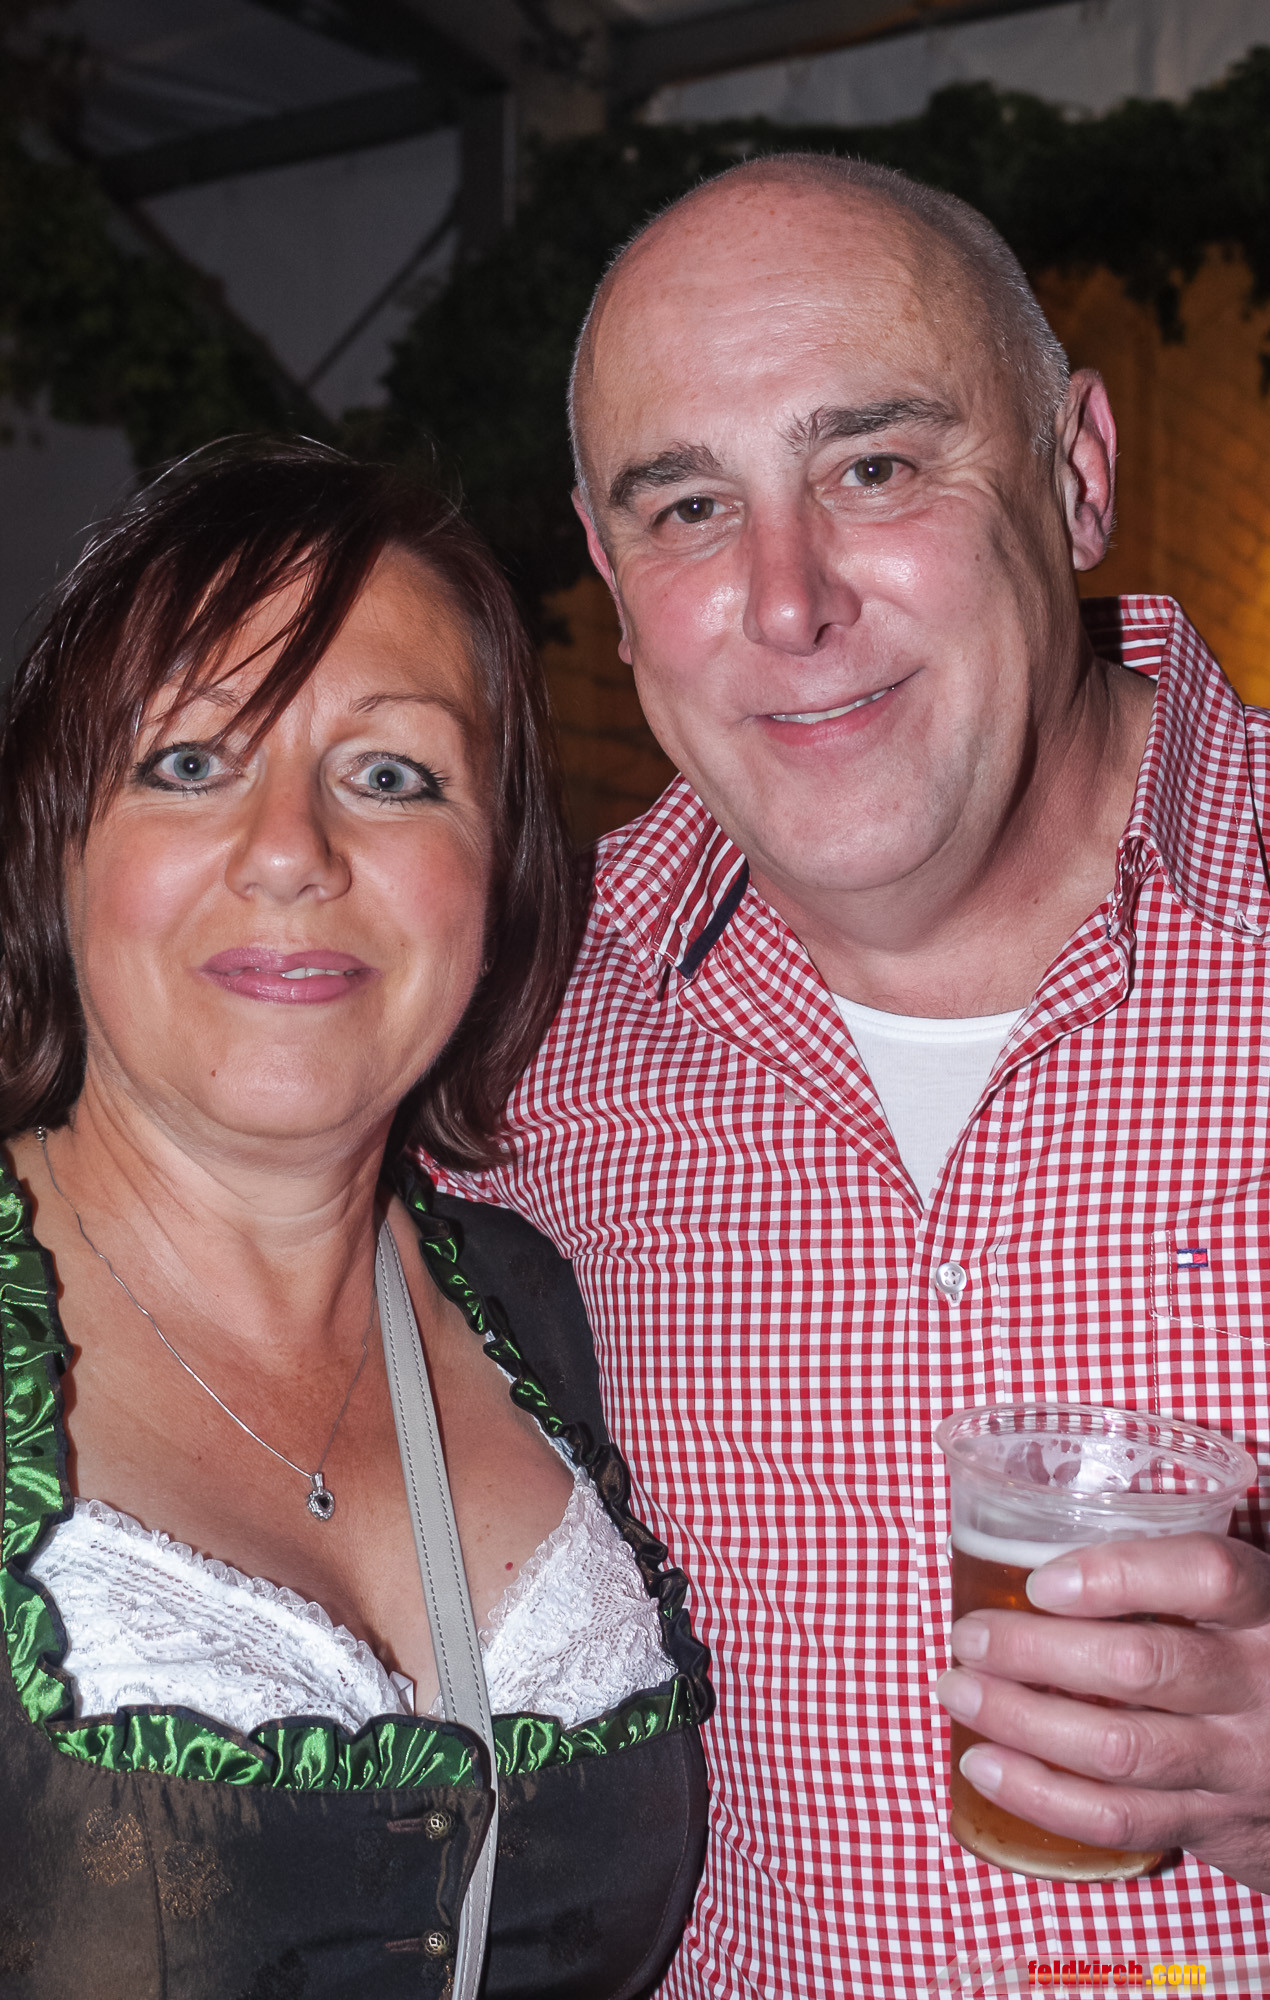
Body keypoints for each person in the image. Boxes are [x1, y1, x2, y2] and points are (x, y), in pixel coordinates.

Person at [421, 153, 1270, 1995]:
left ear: (1077, 475)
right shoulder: (505, 1033)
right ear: (611, 579)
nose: (786, 600)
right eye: (690, 506)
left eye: (877, 467)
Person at [0, 439, 710, 2000]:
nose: (289, 852)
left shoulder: (553, 1310)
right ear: (57, 845)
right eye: (192, 762)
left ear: (497, 879)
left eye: (392, 776)